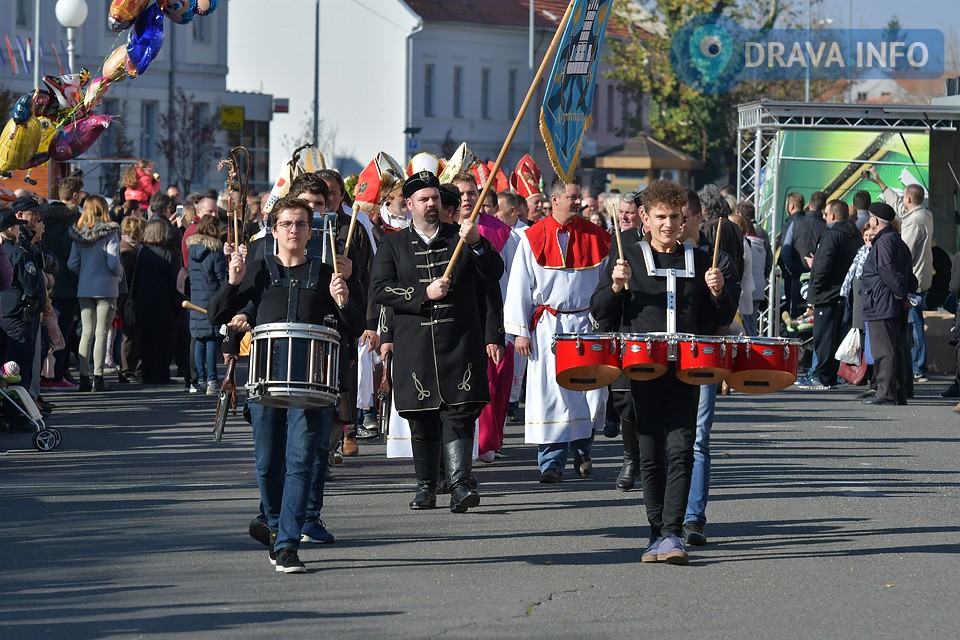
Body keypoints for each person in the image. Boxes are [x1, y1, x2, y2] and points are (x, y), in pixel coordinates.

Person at [209, 196, 362, 573]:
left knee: (300, 462)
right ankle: (277, 528)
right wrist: (232, 281)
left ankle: (288, 545)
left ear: (311, 232)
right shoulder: (258, 273)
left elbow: (353, 329)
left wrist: (343, 303)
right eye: (287, 224)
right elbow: (217, 314)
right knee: (267, 464)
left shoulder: (327, 275)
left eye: (301, 224)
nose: (294, 230)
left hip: (312, 388)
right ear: (274, 229)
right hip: (264, 384)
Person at [591, 179, 736, 565]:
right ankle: (656, 532)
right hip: (641, 368)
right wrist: (616, 287)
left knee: (681, 447)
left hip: (687, 370)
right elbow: (601, 312)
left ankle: (673, 533)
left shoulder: (702, 259)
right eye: (661, 217)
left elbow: (719, 318)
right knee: (650, 452)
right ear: (645, 217)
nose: (669, 225)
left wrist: (720, 292)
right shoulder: (628, 258)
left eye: (676, 217)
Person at [372, 172, 504, 512]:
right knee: (422, 416)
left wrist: (476, 242)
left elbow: (493, 276)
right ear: (409, 204)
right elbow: (380, 289)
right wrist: (422, 293)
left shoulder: (461, 238)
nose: (431, 204)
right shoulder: (393, 244)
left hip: (459, 342)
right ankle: (426, 486)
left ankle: (460, 485)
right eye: (423, 199)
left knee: (459, 413)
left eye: (435, 198)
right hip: (415, 345)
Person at [504, 176, 611, 483]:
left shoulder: (597, 237)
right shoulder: (532, 237)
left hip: (585, 323)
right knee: (551, 394)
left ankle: (582, 450)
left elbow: (605, 286)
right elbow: (519, 286)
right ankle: (551, 462)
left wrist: (603, 321)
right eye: (573, 198)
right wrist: (520, 330)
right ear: (555, 200)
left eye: (579, 198)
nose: (579, 203)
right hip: (548, 326)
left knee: (590, 392)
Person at [450, 171, 513, 463]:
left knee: (488, 384)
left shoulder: (501, 232)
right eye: (460, 194)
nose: (467, 199)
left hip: (488, 315)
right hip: (450, 320)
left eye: (471, 193)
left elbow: (505, 280)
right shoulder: (442, 229)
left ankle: (484, 443)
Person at [868, 170, 933, 384]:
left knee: (912, 327)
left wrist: (902, 289)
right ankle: (916, 366)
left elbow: (905, 250)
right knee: (912, 325)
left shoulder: (913, 222)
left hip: (909, 279)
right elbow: (897, 209)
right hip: (916, 277)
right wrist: (880, 182)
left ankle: (918, 366)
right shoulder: (922, 214)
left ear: (908, 199)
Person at [798, 199, 863, 390]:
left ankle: (820, 376)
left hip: (826, 295)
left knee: (823, 338)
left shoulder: (831, 235)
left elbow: (822, 268)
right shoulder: (855, 236)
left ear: (833, 215)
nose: (825, 218)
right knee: (834, 338)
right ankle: (830, 375)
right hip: (844, 295)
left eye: (826, 214)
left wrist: (813, 293)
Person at [860, 202, 915, 406]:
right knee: (896, 348)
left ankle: (885, 393)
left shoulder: (883, 242)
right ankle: (897, 392)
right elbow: (910, 273)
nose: (869, 221)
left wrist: (902, 295)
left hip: (881, 303)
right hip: (891, 303)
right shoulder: (897, 241)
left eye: (870, 217)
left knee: (884, 350)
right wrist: (908, 294)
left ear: (875, 220)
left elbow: (887, 271)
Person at [67, 196, 123, 392]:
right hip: (106, 287)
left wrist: (85, 273)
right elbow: (113, 262)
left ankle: (83, 377)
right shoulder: (110, 233)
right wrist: (119, 274)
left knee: (86, 333)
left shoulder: (78, 235)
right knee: (101, 333)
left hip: (85, 286)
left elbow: (72, 264)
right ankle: (98, 378)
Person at [40, 176, 83, 390]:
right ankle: (56, 375)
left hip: (46, 280)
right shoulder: (72, 220)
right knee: (62, 332)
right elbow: (70, 254)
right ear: (75, 195)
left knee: (48, 330)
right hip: (65, 281)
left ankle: (51, 374)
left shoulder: (44, 217)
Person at [0, 209, 44, 395]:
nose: (20, 232)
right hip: (19, 315)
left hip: (5, 316)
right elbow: (31, 286)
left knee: (6, 368)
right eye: (18, 228)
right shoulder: (17, 253)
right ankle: (18, 415)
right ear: (11, 228)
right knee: (18, 369)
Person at [133, 219, 181, 384]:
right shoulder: (169, 254)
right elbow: (175, 284)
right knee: (164, 342)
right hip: (164, 304)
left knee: (147, 340)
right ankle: (161, 373)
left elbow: (136, 278)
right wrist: (179, 308)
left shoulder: (142, 253)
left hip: (144, 303)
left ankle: (147, 373)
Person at [186, 215, 228, 394]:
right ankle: (212, 380)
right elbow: (221, 278)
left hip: (195, 298)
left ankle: (201, 379)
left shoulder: (192, 249)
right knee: (211, 341)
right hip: (211, 299)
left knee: (199, 341)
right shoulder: (215, 251)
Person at [118, 216, 145, 384]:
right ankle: (127, 370)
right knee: (129, 337)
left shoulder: (127, 247)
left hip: (128, 299)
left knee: (131, 336)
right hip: (129, 299)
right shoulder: (128, 251)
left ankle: (130, 369)